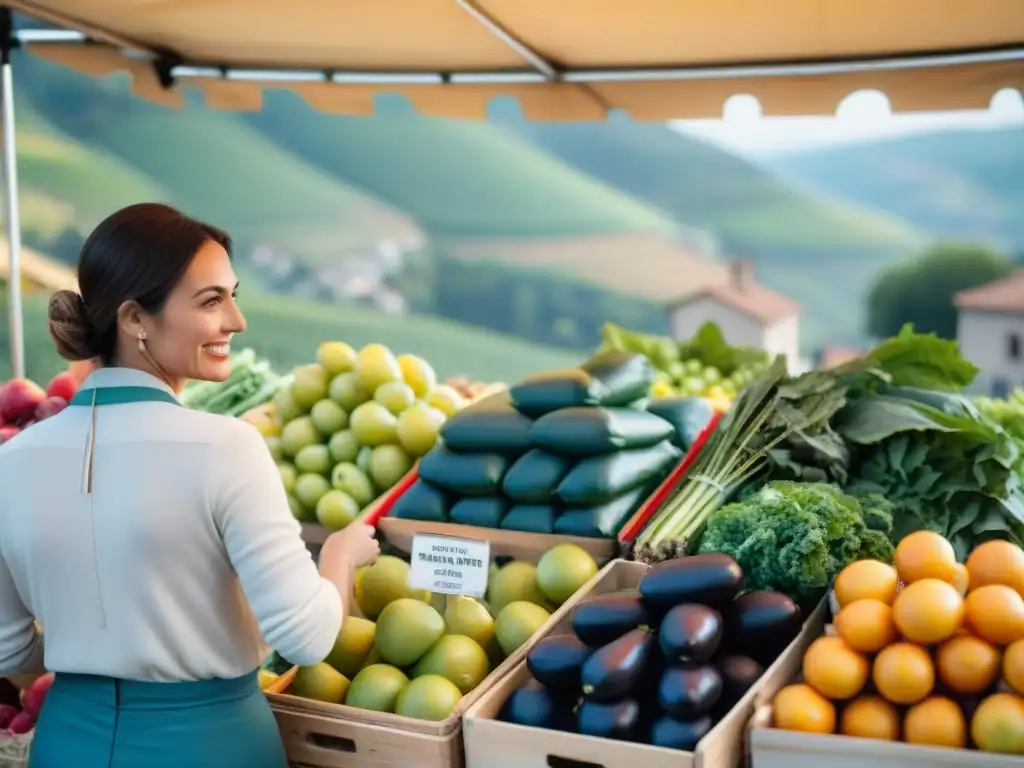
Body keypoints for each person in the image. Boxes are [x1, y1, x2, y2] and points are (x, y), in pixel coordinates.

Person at [0, 203, 380, 767]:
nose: (236, 320)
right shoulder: (226, 447)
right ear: (135, 319)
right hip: (209, 744)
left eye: (233, 295)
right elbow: (305, 637)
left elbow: (9, 646)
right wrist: (341, 560)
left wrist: (91, 663)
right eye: (211, 301)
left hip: (67, 742)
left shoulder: (13, 461)